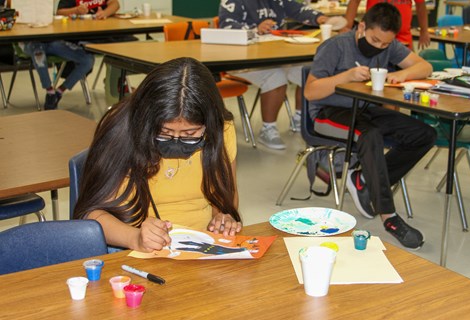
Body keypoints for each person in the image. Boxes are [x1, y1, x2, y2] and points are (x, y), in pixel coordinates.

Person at [73, 57, 243, 253]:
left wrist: (222, 217)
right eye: (164, 133)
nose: (176, 142)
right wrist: (135, 238)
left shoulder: (222, 129)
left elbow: (225, 196)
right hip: (129, 244)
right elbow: (90, 215)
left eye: (190, 135)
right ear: (146, 120)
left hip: (202, 244)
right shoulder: (120, 130)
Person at [304, 3, 436, 249]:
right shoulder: (336, 46)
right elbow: (311, 92)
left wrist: (401, 75)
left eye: (386, 44)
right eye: (375, 40)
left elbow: (425, 67)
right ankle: (389, 217)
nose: (380, 47)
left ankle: (363, 177)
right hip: (327, 113)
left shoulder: (389, 44)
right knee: (370, 135)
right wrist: (346, 76)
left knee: (424, 134)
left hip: (367, 110)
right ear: (362, 27)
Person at [219, 0, 342, 150]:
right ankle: (268, 129)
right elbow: (226, 26)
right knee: (275, 77)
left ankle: (299, 117)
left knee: (307, 73)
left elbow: (299, 9)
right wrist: (255, 29)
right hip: (241, 60)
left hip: (274, 55)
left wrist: (321, 18)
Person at [20, 41, 94, 110]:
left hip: (54, 41)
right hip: (31, 43)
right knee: (38, 53)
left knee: (88, 60)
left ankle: (60, 91)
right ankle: (50, 92)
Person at [342, 0, 430, 50]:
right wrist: (347, 26)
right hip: (374, 38)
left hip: (403, 38)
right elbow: (354, 2)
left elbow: (421, 6)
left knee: (408, 72)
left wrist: (424, 30)